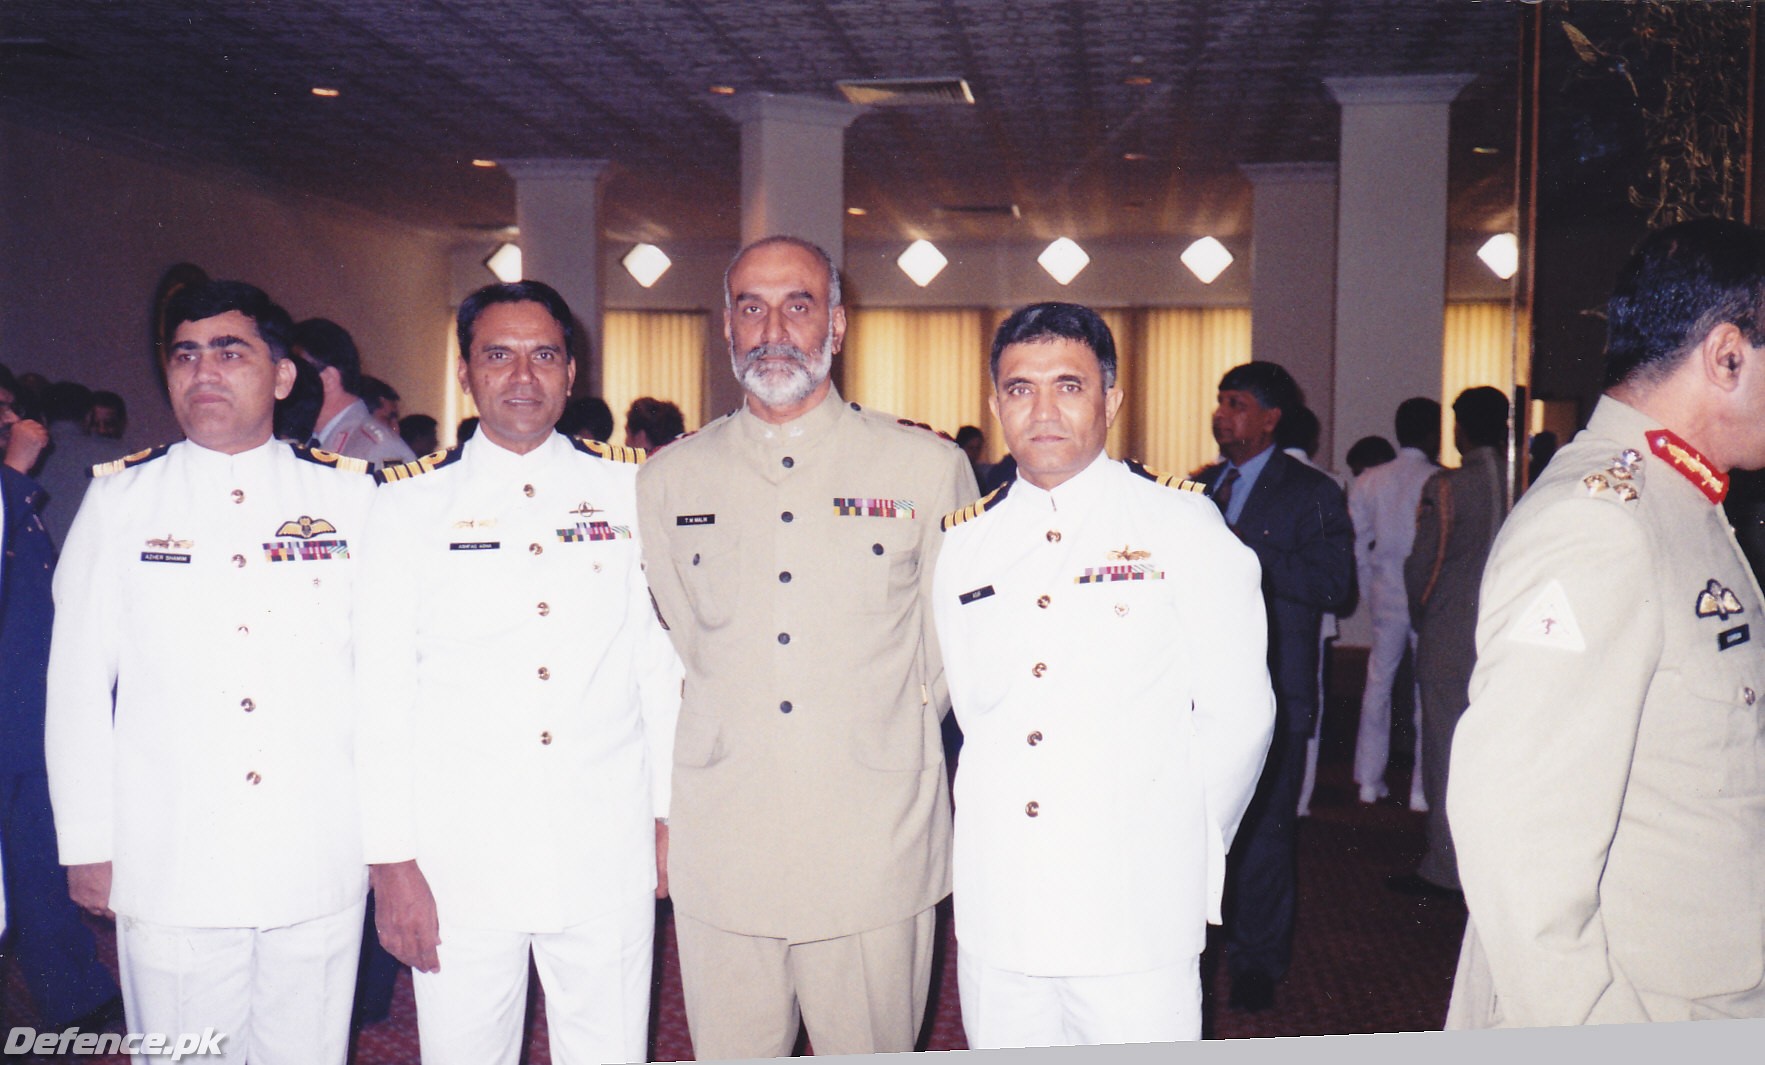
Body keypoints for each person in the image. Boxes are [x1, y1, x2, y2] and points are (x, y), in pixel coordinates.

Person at [635, 235, 978, 1058]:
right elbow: (686, 640)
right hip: (726, 841)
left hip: (872, 841)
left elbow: (950, 652)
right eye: (751, 306)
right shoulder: (667, 480)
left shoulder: (926, 468)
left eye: (799, 304)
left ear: (839, 321)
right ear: (726, 325)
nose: (774, 328)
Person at [45, 280, 376, 1063]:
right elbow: (76, 684)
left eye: (231, 352)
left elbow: (383, 680)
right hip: (173, 861)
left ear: (283, 375)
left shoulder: (349, 500)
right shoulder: (123, 500)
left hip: (315, 854)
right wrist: (88, 841)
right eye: (186, 355)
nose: (204, 373)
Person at [1446, 217, 1765, 1027]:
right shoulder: (1600, 523)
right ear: (1725, 355)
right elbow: (1514, 835)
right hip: (1643, 1008)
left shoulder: (1681, 501)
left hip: (1704, 979)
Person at [357, 280, 681, 1065]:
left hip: (604, 840)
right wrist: (391, 861)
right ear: (466, 372)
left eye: (544, 355)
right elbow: (379, 690)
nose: (523, 377)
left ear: (573, 373)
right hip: (460, 855)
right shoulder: (407, 506)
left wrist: (672, 815)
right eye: (497, 356)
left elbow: (656, 665)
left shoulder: (631, 489)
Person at [933, 302, 1273, 1047]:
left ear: (1110, 400)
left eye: (1069, 385)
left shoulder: (1180, 526)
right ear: (994, 404)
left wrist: (1171, 845)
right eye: (1020, 389)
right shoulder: (965, 544)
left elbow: (1239, 716)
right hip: (1004, 911)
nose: (1043, 410)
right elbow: (975, 715)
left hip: (1133, 908)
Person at [1196, 361, 1354, 1013]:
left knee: (1262, 834)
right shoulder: (1199, 487)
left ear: (1269, 418)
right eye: (1219, 401)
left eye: (1236, 403)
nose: (1221, 414)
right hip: (1196, 693)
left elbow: (1334, 586)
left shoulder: (1309, 492)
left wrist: (1242, 550)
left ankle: (1257, 960)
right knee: (1198, 831)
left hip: (1274, 691)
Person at [0, 365, 122, 1033]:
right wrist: (16, 474)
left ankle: (74, 995)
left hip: (24, 710)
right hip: (11, 712)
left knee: (38, 860)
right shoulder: (11, 485)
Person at [1394, 386, 1508, 897]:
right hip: (1509, 636)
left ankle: (1445, 867)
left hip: (1451, 635)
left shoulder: (1448, 487)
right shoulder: (1523, 480)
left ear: (1460, 426)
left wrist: (1421, 612)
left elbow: (1422, 567)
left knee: (1445, 749)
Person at [1349, 397, 1441, 808]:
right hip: (1426, 593)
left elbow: (1358, 545)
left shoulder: (1370, 479)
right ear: (1432, 434)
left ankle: (1369, 781)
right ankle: (1421, 790)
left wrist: (1369, 589)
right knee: (1426, 688)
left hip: (1385, 590)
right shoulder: (1439, 480)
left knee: (1378, 683)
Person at [1274, 405, 1349, 819]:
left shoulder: (1291, 484)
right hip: (1311, 613)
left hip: (1290, 601)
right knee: (1309, 702)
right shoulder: (1328, 481)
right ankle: (1302, 797)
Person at [293, 317, 417, 470]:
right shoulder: (307, 441)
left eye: (293, 372)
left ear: (328, 379)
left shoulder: (378, 449)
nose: (283, 383)